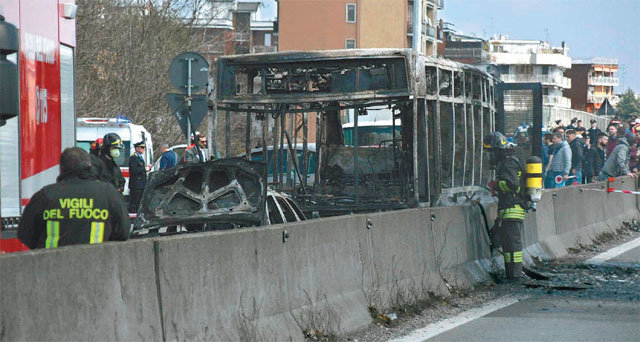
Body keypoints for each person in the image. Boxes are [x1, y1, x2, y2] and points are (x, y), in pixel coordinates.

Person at [17, 147, 130, 249]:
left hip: (52, 267)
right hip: (96, 265)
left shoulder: (46, 195)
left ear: (61, 169)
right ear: (89, 167)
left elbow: (25, 233)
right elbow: (123, 231)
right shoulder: (108, 193)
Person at [483, 131, 527, 282]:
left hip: (512, 209)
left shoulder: (509, 163)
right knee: (505, 243)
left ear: (498, 150)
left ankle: (514, 276)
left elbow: (512, 184)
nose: (490, 156)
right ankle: (511, 274)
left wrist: (496, 184)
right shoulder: (511, 160)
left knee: (513, 247)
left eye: (491, 152)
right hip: (509, 209)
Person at [128, 141, 151, 213]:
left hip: (141, 184)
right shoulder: (133, 158)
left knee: (140, 202)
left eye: (144, 147)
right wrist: (144, 169)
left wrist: (147, 168)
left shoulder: (140, 157)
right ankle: (133, 217)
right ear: (137, 148)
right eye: (142, 147)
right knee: (135, 202)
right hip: (136, 184)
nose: (143, 149)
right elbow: (134, 170)